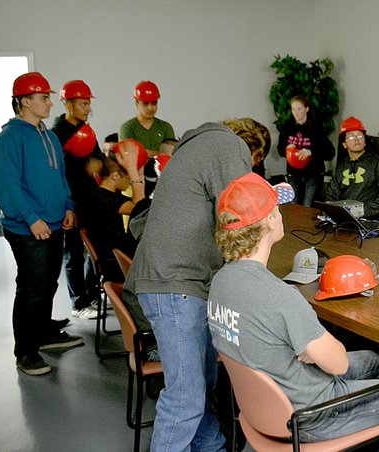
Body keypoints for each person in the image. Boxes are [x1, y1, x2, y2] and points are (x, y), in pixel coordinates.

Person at [208, 172, 379, 451]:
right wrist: (314, 348)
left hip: (267, 407)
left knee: (375, 362)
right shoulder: (280, 296)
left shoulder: (220, 282)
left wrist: (307, 348)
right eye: (277, 210)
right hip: (314, 415)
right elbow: (339, 365)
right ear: (268, 222)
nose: (281, 215)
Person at [123, 119, 255, 451]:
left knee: (199, 387)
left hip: (171, 281)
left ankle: (213, 448)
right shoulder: (230, 147)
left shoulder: (191, 149)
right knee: (186, 398)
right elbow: (241, 215)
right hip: (177, 285)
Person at [0, 72, 84, 376]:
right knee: (31, 289)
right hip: (26, 227)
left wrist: (68, 206)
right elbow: (6, 188)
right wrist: (32, 219)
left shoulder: (49, 136)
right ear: (24, 102)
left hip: (55, 223)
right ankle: (25, 352)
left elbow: (59, 177)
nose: (49, 102)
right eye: (43, 97)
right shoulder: (9, 139)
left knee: (48, 284)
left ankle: (44, 335)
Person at [51, 79, 104, 320]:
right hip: (70, 201)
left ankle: (93, 294)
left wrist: (98, 165)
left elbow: (98, 160)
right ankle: (78, 303)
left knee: (96, 248)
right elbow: (55, 172)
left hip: (91, 199)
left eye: (88, 103)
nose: (87, 108)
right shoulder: (56, 135)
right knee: (73, 253)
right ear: (69, 105)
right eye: (83, 104)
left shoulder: (87, 130)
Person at [85, 147, 145, 282]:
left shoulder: (106, 195)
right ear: (115, 176)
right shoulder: (103, 198)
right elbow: (139, 209)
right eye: (128, 177)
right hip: (115, 263)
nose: (130, 181)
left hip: (115, 256)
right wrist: (135, 174)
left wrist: (138, 172)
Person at [326, 116, 379, 219]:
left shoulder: (378, 163)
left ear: (365, 141)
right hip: (344, 218)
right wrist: (332, 210)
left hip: (369, 218)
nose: (356, 139)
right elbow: (332, 194)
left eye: (360, 136)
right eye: (351, 137)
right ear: (344, 144)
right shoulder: (342, 166)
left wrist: (362, 212)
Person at [277, 95, 335, 207]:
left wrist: (311, 152)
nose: (296, 113)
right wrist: (287, 149)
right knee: (293, 207)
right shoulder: (288, 126)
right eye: (293, 109)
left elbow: (330, 152)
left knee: (308, 206)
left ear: (306, 109)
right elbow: (280, 149)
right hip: (293, 173)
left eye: (299, 109)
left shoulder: (316, 127)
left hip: (313, 174)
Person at [119, 80, 175, 157]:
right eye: (145, 104)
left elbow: (170, 155)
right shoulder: (128, 128)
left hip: (162, 168)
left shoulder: (165, 127)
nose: (150, 108)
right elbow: (127, 155)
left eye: (154, 103)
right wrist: (158, 154)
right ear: (137, 104)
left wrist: (141, 152)